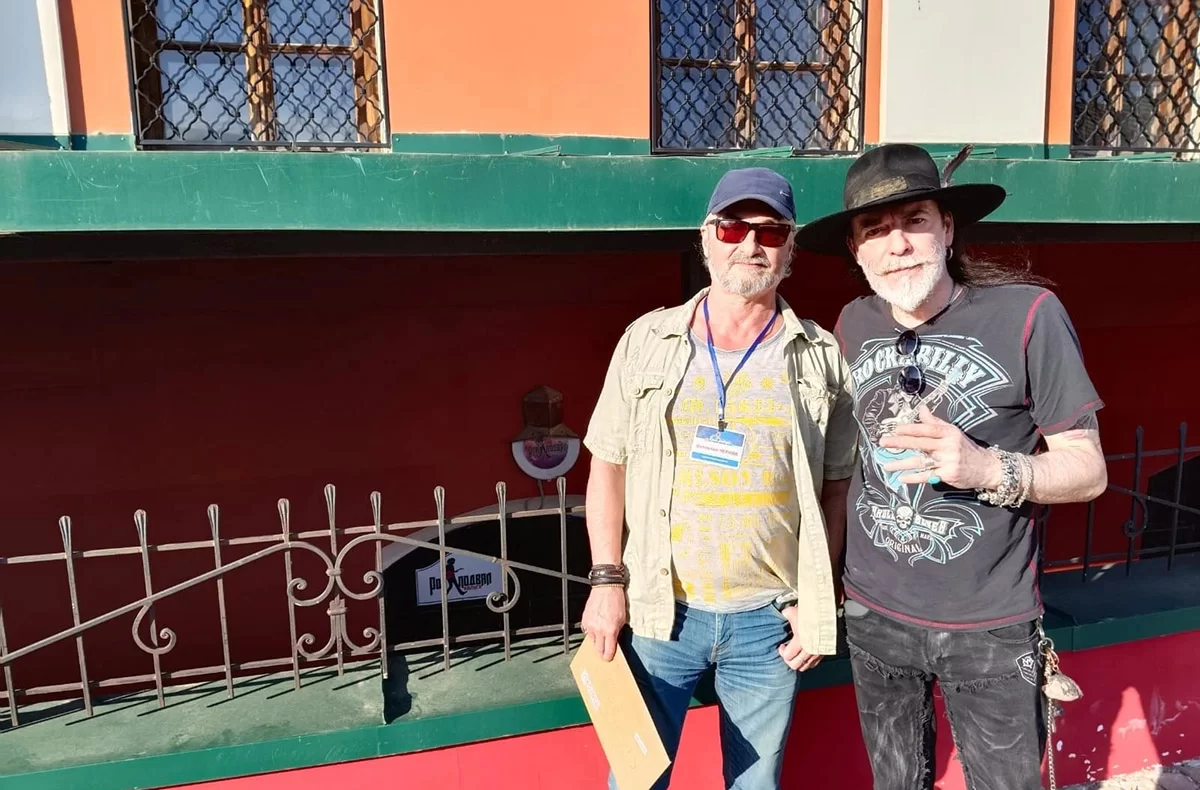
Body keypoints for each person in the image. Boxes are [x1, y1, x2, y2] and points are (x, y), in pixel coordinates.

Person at [795, 143, 1108, 790]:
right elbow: (842, 466)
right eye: (875, 230)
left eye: (914, 221)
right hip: (874, 612)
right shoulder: (853, 322)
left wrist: (985, 467)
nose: (898, 245)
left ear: (946, 228)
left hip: (988, 624)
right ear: (856, 250)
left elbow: (1088, 469)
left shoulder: (1028, 315)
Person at [580, 167, 858, 789]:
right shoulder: (647, 339)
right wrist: (606, 582)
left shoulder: (820, 355)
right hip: (659, 614)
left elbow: (835, 488)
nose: (751, 244)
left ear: (790, 248)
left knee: (755, 785)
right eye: (734, 227)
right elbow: (607, 464)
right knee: (635, 780)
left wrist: (816, 600)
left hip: (768, 621)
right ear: (706, 237)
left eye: (771, 231)